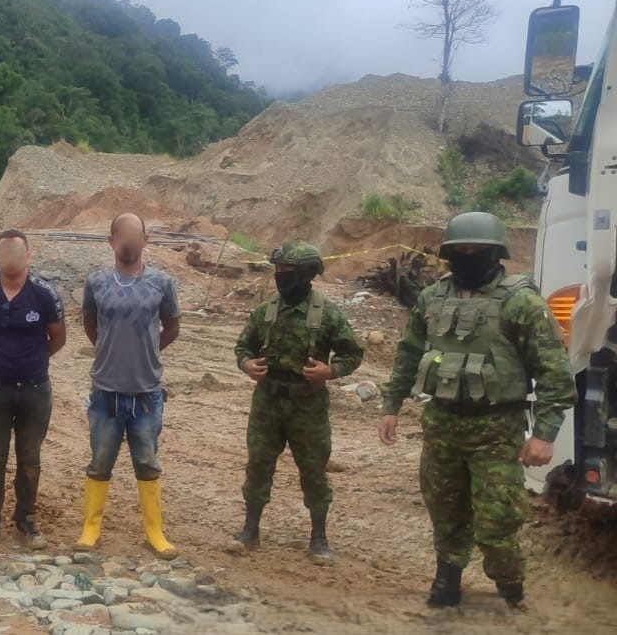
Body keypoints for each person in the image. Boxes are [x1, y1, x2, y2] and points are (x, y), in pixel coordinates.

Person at [378, 212, 577, 608]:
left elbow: (555, 373)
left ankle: (509, 585)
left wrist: (545, 434)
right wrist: (391, 405)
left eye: (477, 250)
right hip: (442, 424)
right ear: (449, 253)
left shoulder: (521, 301)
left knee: (497, 521)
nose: (467, 256)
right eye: (460, 250)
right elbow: (408, 354)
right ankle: (447, 580)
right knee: (445, 509)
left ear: (495, 252)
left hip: (497, 429)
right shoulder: (432, 298)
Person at [231, 240, 363, 563]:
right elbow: (243, 347)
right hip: (268, 402)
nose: (280, 276)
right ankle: (250, 530)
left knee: (314, 470)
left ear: (305, 274)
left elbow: (353, 352)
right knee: (258, 466)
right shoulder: (265, 311)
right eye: (278, 270)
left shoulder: (327, 314)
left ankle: (318, 538)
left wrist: (329, 371)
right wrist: (247, 364)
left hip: (308, 406)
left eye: (286, 271)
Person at [75, 213, 181, 559]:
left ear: (146, 240)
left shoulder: (162, 283)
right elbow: (89, 323)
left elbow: (172, 327)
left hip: (147, 395)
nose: (129, 242)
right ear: (111, 241)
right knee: (100, 462)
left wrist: (146, 352)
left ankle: (154, 532)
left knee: (148, 463)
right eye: (123, 235)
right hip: (105, 391)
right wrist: (109, 349)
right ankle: (91, 529)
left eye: (136, 235)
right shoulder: (96, 282)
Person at [0, 229, 66, 551]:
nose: (11, 259)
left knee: (29, 460)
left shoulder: (45, 294)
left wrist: (32, 361)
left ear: (29, 256)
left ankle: (26, 521)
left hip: (34, 391)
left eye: (17, 253)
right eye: (4, 253)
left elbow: (58, 339)